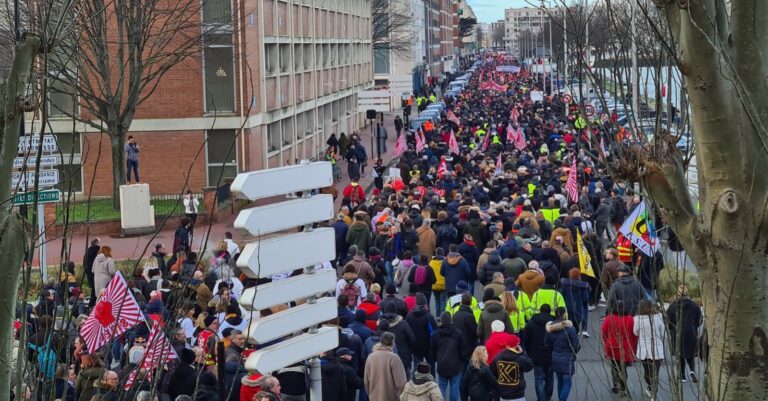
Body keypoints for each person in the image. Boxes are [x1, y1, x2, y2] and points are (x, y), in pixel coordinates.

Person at [430, 312, 470, 401]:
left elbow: (432, 351)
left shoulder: (435, 335)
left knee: (442, 388)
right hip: (456, 366)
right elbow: (463, 351)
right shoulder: (458, 334)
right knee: (455, 389)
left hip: (442, 366)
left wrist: (437, 360)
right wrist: (463, 361)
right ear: (451, 320)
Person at [667, 284, 702, 384]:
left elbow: (668, 320)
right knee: (690, 352)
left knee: (680, 354)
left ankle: (682, 375)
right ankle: (692, 370)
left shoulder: (673, 306)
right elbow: (699, 320)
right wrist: (694, 326)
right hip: (691, 331)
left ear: (677, 293)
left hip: (677, 332)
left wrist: (672, 329)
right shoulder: (695, 306)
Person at [544, 307, 579, 401]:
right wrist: (574, 354)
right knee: (567, 382)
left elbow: (546, 344)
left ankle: (561, 398)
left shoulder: (550, 329)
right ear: (564, 314)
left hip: (555, 358)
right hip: (568, 359)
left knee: (560, 381)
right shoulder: (570, 329)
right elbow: (576, 344)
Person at [521, 304, 555, 401]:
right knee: (550, 378)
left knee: (538, 379)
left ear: (540, 310)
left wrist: (528, 352)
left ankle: (541, 398)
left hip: (536, 355)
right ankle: (548, 397)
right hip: (550, 355)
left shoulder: (532, 323)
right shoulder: (554, 324)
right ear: (549, 311)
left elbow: (526, 340)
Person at [634, 299, 665, 399]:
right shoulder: (659, 318)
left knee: (647, 371)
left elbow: (635, 332)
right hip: (657, 349)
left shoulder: (638, 319)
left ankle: (650, 388)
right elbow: (663, 332)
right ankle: (654, 392)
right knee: (655, 371)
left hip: (644, 349)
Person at [601, 310, 638, 396]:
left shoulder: (609, 318)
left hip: (612, 346)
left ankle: (616, 385)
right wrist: (632, 344)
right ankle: (623, 386)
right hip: (625, 347)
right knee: (623, 367)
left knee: (614, 367)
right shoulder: (630, 319)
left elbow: (603, 332)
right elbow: (635, 334)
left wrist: (607, 341)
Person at [489, 334, 533, 401]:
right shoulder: (520, 358)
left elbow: (493, 373)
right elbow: (529, 366)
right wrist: (523, 353)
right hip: (517, 393)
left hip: (503, 392)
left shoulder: (497, 357)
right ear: (517, 345)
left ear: (506, 344)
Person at [364, 332, 407, 401]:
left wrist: (370, 394)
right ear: (393, 342)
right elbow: (401, 383)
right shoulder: (394, 358)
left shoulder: (370, 357)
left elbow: (366, 381)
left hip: (374, 397)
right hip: (391, 397)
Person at [559, 268, 590, 337]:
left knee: (569, 322)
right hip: (578, 307)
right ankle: (575, 334)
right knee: (577, 323)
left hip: (568, 306)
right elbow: (585, 298)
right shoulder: (582, 286)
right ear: (579, 275)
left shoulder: (565, 284)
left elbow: (562, 294)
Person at [85, 238, 101, 306]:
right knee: (97, 292)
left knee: (94, 290)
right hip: (97, 275)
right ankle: (93, 304)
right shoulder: (98, 253)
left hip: (90, 274)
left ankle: (91, 304)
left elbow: (84, 264)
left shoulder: (87, 252)